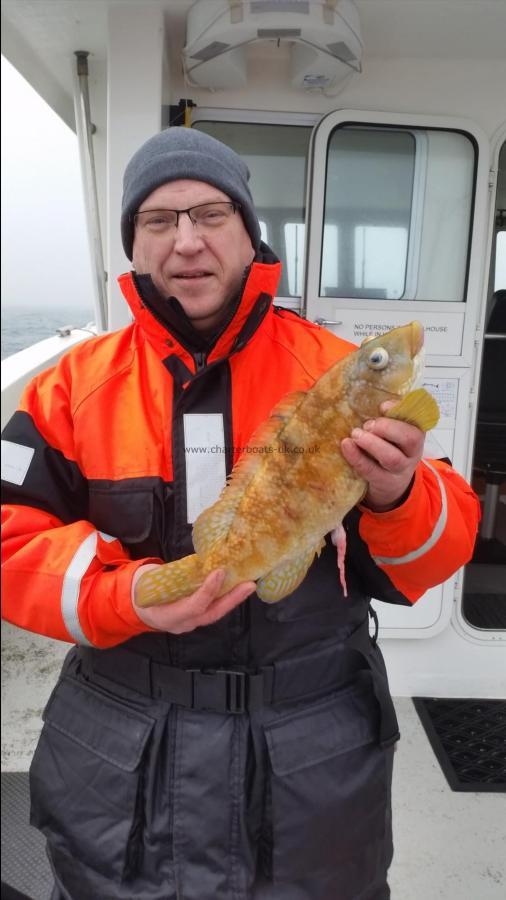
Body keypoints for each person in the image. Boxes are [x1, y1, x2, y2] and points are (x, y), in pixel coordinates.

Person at [1, 127, 480, 900]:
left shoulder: (333, 371)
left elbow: (435, 555)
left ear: (248, 231)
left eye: (211, 213)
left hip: (309, 764)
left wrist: (396, 493)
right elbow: (6, 539)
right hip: (124, 759)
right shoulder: (71, 388)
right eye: (157, 220)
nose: (186, 240)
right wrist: (128, 597)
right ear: (135, 245)